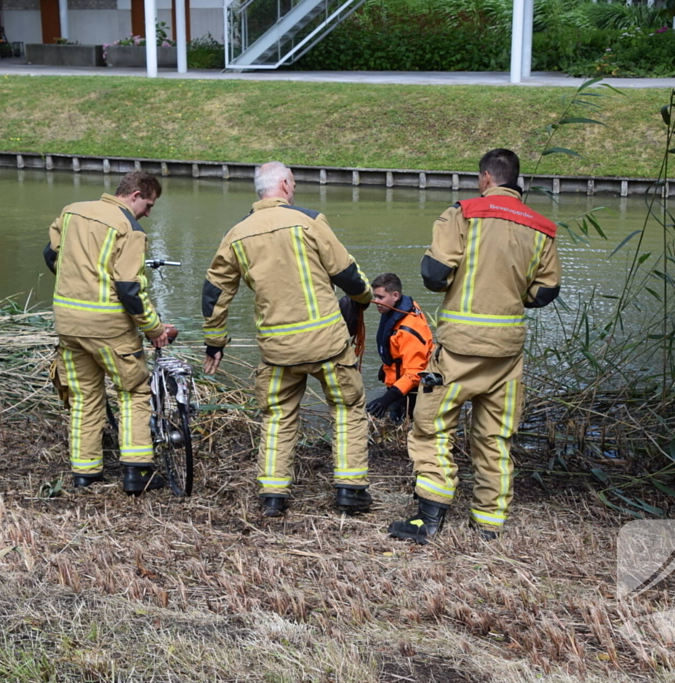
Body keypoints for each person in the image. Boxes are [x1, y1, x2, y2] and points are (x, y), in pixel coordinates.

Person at [388, 148, 561, 544]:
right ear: (514, 180)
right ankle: (489, 523)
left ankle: (430, 519)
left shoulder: (463, 213)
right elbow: (545, 292)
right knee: (495, 437)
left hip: (460, 348)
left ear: (486, 178)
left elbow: (434, 274)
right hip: (507, 352)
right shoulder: (542, 227)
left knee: (432, 428)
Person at [201, 161, 374, 517]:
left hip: (277, 349)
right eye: (292, 183)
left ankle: (274, 495)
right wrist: (364, 299)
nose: (294, 188)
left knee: (278, 416)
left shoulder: (237, 233)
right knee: (346, 409)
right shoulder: (309, 221)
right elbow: (348, 274)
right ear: (283, 184)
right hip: (326, 342)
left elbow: (215, 292)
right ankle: (349, 491)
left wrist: (215, 341)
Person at [43, 171, 177, 494]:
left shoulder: (71, 211)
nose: (148, 212)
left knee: (84, 397)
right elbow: (130, 289)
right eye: (148, 204)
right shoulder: (129, 228)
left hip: (68, 325)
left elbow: (51, 256)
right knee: (133, 391)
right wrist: (155, 329)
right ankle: (137, 472)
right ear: (134, 195)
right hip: (109, 328)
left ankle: (85, 474)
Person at [366, 273, 433, 423]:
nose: (375, 302)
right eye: (374, 296)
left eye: (380, 297)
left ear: (395, 295)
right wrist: (387, 364)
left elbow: (415, 373)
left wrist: (385, 400)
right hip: (400, 381)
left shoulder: (407, 330)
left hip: (412, 390)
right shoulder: (400, 308)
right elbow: (398, 348)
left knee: (404, 422)